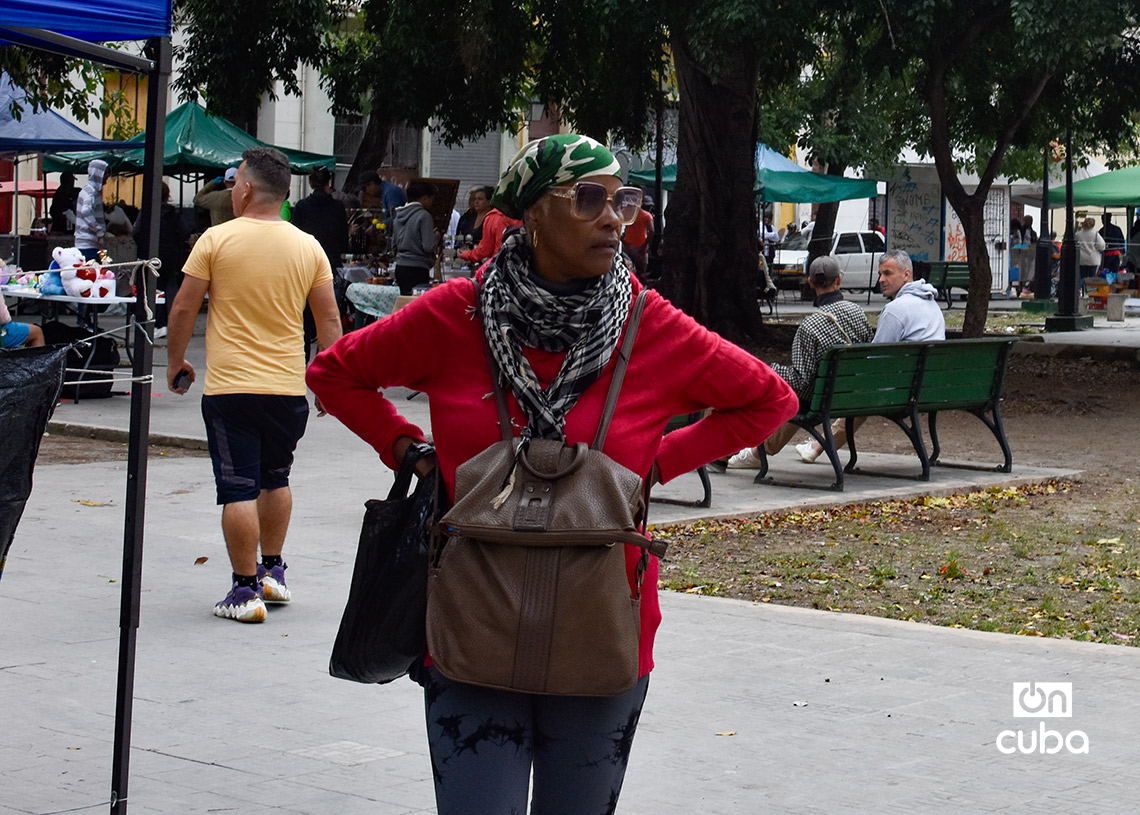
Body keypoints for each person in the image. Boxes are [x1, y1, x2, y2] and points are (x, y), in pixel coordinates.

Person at [305, 133, 797, 814]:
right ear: (533, 214)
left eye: (623, 201)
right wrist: (408, 449)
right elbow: (334, 373)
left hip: (602, 639)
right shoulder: (458, 314)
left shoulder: (652, 326)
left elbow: (771, 399)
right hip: (470, 627)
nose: (613, 218)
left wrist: (654, 466)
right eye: (588, 198)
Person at [165, 146, 343, 624]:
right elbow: (328, 318)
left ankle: (244, 591)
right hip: (288, 390)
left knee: (237, 488)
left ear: (244, 188)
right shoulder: (309, 246)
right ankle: (273, 571)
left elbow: (184, 308)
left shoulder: (215, 240)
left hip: (231, 390)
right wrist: (329, 381)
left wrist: (176, 360)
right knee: (276, 478)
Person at [797, 249, 945, 463]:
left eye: (887, 273)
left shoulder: (896, 310)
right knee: (867, 388)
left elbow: (875, 360)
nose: (881, 280)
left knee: (862, 389)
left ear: (906, 274)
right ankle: (816, 447)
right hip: (931, 387)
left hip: (903, 391)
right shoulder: (932, 304)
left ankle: (817, 446)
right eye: (880, 274)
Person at [725, 256, 873, 468]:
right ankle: (754, 453)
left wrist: (770, 370)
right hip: (849, 395)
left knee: (784, 394)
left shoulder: (809, 326)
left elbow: (800, 379)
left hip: (818, 400)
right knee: (796, 397)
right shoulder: (858, 313)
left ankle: (748, 453)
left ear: (810, 283)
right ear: (839, 280)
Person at [292, 167, 350, 355]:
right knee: (329, 314)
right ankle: (324, 358)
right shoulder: (338, 207)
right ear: (328, 183)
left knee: (304, 313)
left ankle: (303, 356)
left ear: (310, 183)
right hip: (331, 264)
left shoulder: (301, 206)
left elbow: (294, 236)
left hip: (305, 264)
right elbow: (343, 240)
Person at [132, 181, 191, 337]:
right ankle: (174, 322)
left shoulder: (146, 212)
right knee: (171, 287)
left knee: (154, 289)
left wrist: (145, 245)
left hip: (152, 255)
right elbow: (185, 232)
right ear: (167, 195)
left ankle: (158, 322)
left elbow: (136, 232)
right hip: (171, 255)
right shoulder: (173, 212)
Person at [391, 180, 439, 295]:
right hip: (418, 267)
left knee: (404, 302)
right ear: (425, 198)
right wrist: (436, 237)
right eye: (431, 199)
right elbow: (428, 246)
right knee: (416, 304)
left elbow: (393, 244)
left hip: (400, 266)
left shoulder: (398, 215)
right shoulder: (424, 215)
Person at [458, 197, 521, 266]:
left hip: (499, 264)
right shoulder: (527, 217)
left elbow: (484, 250)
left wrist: (466, 254)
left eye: (480, 199)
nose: (476, 202)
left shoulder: (493, 217)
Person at [74, 159, 108, 262]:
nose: (107, 177)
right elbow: (86, 211)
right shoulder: (91, 193)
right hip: (88, 244)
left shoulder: (87, 191)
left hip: (86, 244)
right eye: (105, 174)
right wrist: (99, 231)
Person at [621, 192, 654, 278]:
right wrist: (644, 245)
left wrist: (623, 241)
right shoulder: (647, 215)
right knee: (641, 273)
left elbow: (617, 226)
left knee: (628, 272)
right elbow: (652, 230)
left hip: (628, 246)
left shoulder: (625, 213)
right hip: (641, 248)